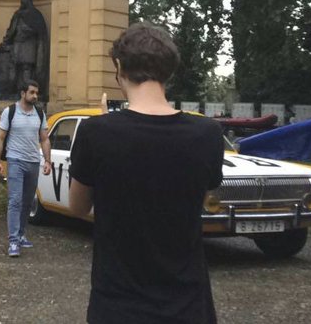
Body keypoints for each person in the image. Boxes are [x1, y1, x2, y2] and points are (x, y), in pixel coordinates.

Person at [68, 23, 224, 323]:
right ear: (170, 71)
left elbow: (77, 207)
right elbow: (199, 200)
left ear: (119, 67)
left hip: (118, 308)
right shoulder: (208, 134)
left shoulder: (95, 133)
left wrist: (105, 128)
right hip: (188, 307)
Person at [0, 79, 52, 257]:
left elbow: (44, 139)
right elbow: (0, 138)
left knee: (27, 202)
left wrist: (47, 161)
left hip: (33, 162)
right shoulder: (10, 112)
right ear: (23, 93)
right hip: (15, 160)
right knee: (15, 201)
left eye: (36, 93)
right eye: (32, 92)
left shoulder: (39, 114)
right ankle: (13, 242)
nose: (35, 96)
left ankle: (21, 234)